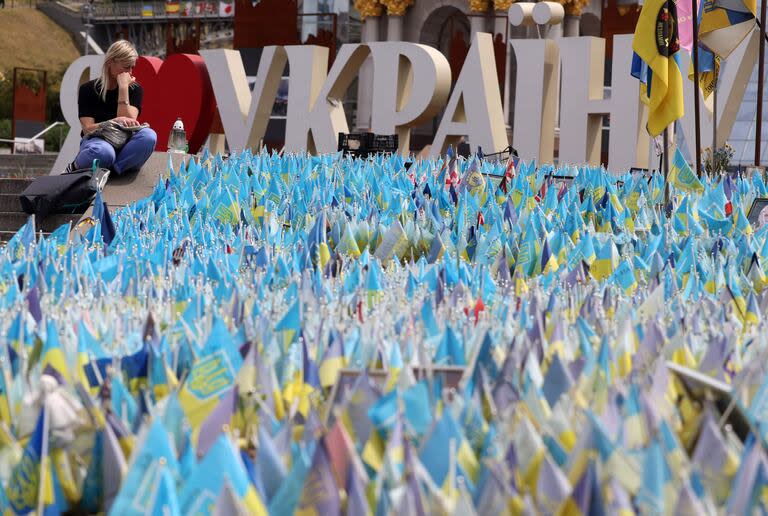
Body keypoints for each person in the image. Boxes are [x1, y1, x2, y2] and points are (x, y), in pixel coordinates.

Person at [64, 40, 157, 175]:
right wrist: (111, 123)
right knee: (104, 152)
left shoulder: (135, 89)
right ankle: (74, 167)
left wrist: (123, 88)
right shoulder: (88, 89)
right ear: (110, 63)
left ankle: (114, 171)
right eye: (126, 67)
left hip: (125, 140)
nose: (129, 72)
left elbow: (128, 121)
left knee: (149, 136)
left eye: (132, 68)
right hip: (98, 140)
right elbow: (87, 129)